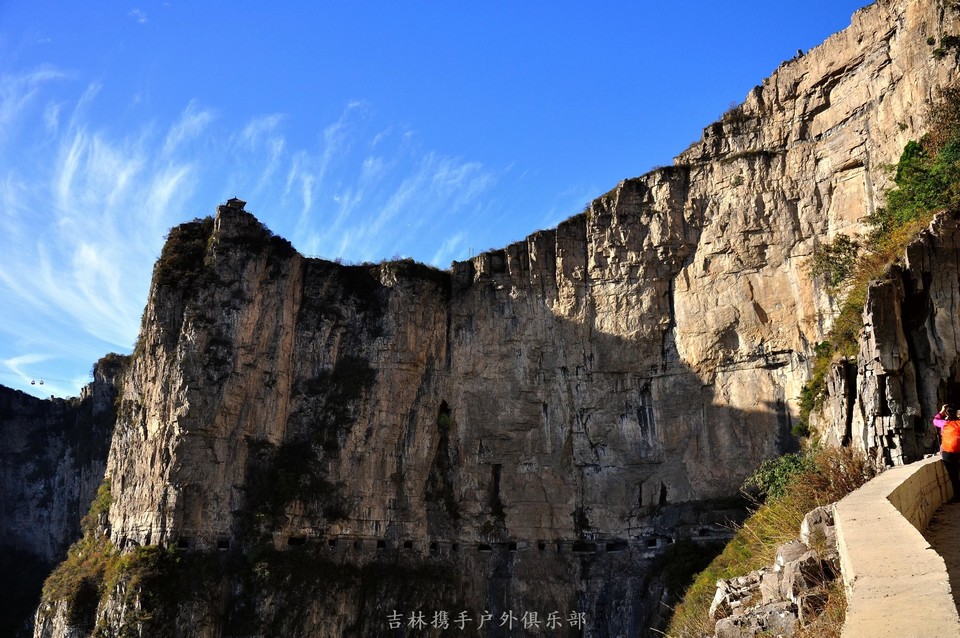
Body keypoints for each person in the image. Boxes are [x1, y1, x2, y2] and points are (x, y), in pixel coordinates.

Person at [938, 406, 960, 503]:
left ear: (947, 413)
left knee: (954, 475)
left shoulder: (944, 423)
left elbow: (934, 420)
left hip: (948, 453)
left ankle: (957, 497)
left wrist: (941, 412)